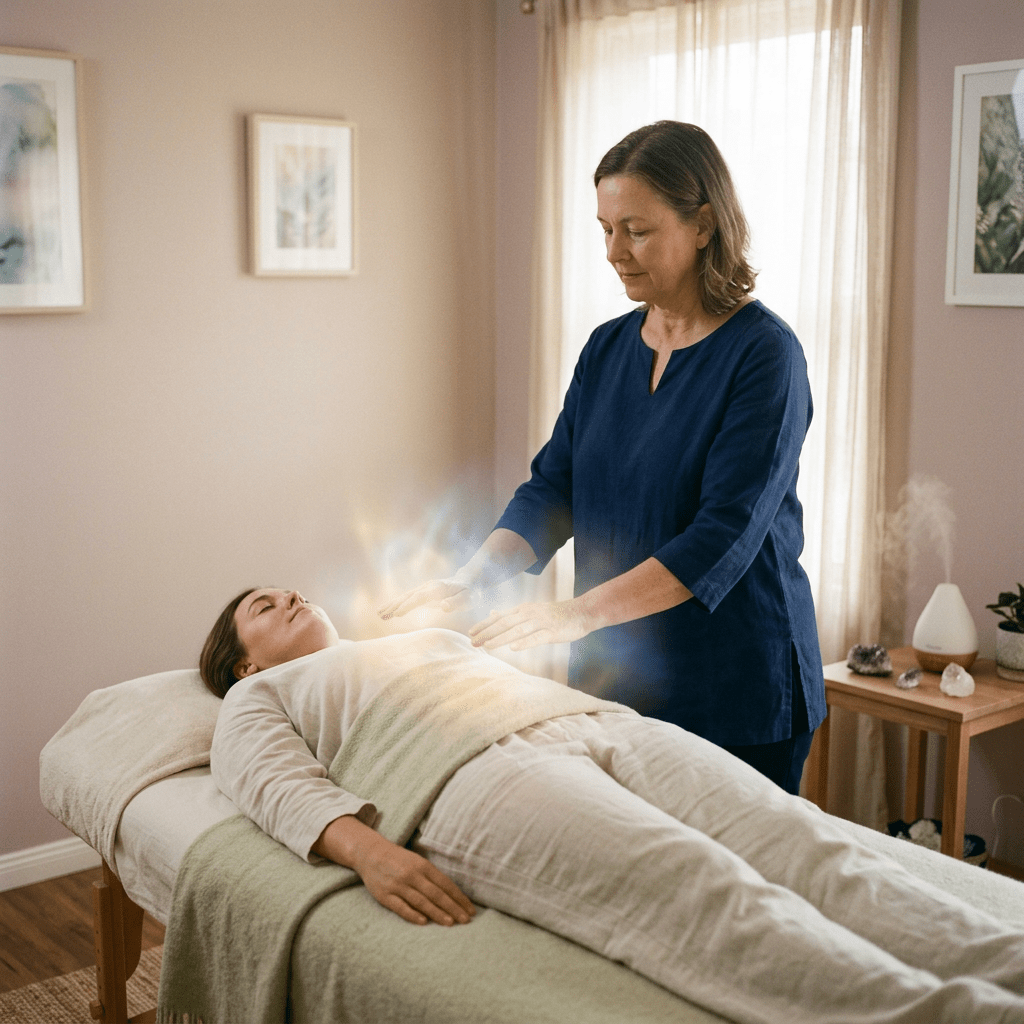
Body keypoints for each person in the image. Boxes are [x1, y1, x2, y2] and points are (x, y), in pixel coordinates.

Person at [200, 586, 1024, 1024]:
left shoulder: (406, 640)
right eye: (263, 608)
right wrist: (371, 854)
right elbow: (274, 784)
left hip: (587, 724)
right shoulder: (260, 698)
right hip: (466, 773)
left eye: (289, 590)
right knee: (699, 888)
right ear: (242, 663)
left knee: (802, 839)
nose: (290, 598)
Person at [378, 122, 824, 794]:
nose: (614, 251)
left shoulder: (764, 356)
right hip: (618, 678)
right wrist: (475, 577)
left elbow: (721, 535)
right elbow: (553, 487)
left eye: (636, 230)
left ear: (703, 224)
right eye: (605, 228)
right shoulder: (607, 349)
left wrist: (575, 613)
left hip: (735, 684)